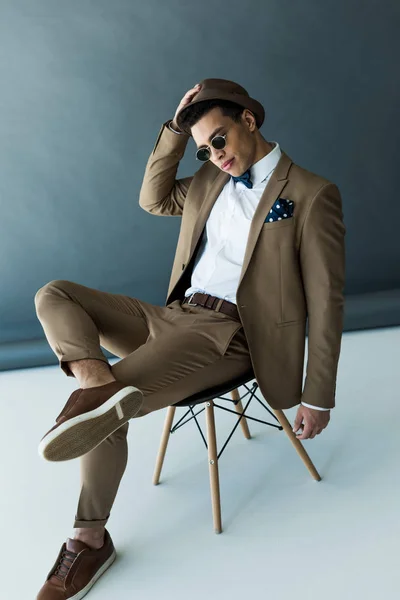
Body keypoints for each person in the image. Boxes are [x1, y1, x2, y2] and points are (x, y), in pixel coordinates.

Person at [34, 78, 345, 599]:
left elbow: (327, 299)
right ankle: (94, 382)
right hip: (171, 315)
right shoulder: (206, 178)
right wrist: (176, 130)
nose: (214, 154)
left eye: (218, 139)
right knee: (55, 294)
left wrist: (319, 394)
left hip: (229, 336)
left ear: (249, 120)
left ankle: (87, 539)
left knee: (111, 413)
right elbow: (152, 199)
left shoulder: (310, 194)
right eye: (204, 148)